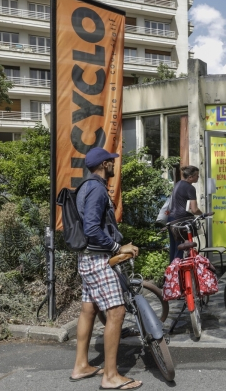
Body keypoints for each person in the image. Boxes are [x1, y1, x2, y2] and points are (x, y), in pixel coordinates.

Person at [71, 147, 142, 390]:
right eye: (111, 161)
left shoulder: (84, 187)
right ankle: (111, 376)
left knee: (88, 310)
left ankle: (81, 365)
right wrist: (116, 247)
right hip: (99, 259)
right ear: (103, 164)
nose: (113, 164)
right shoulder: (98, 190)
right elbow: (92, 229)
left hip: (86, 259)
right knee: (116, 312)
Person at [167, 165, 203, 262]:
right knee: (182, 249)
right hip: (181, 221)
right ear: (190, 177)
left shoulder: (178, 184)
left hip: (171, 220)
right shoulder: (190, 188)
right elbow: (194, 210)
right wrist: (202, 214)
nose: (198, 177)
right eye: (197, 176)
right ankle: (180, 274)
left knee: (174, 248)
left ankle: (171, 274)